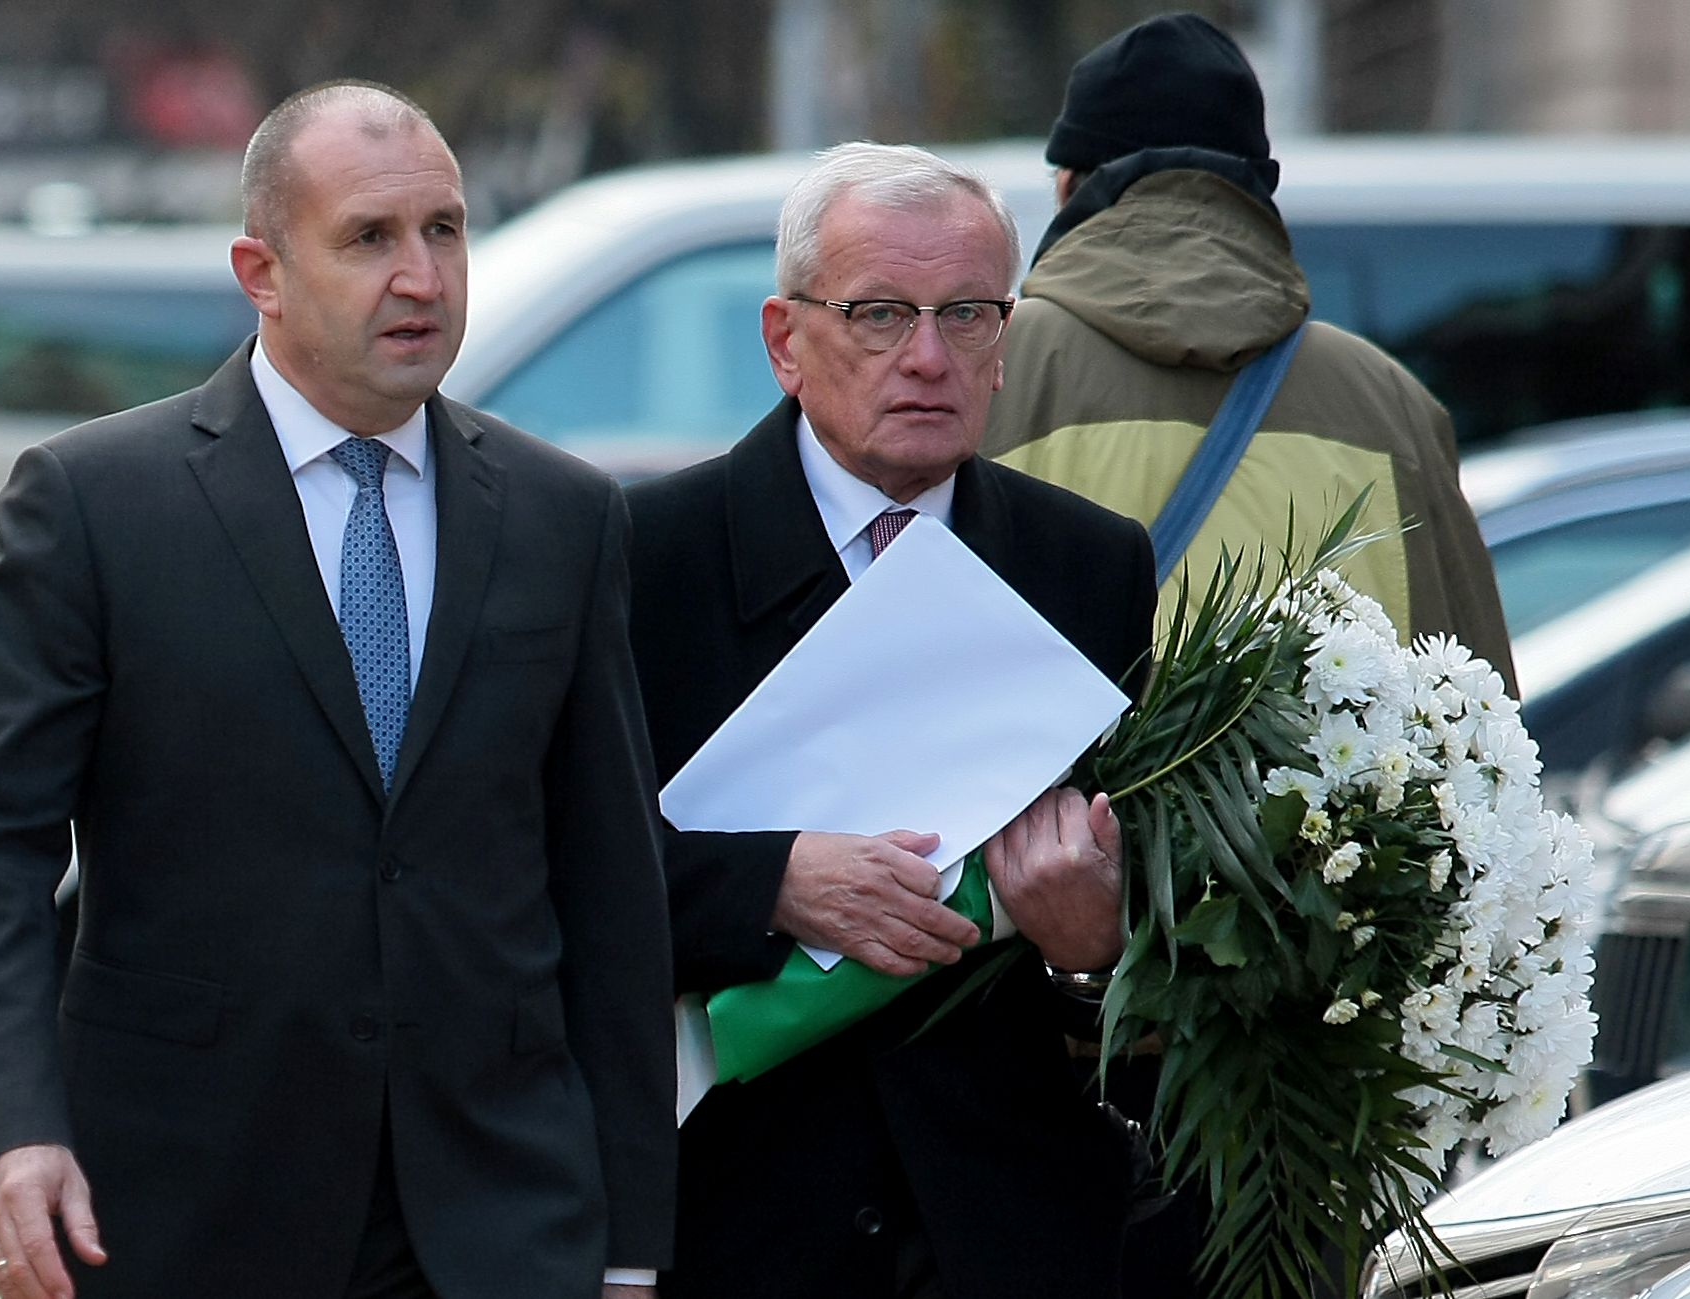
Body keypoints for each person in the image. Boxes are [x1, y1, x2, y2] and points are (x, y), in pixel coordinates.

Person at [0, 80, 674, 1299]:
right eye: (369, 238)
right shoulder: (96, 506)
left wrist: (631, 1246)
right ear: (260, 273)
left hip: (497, 1220)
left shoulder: (561, 516)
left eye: (444, 230)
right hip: (187, 1207)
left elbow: (611, 894)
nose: (421, 277)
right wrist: (12, 1131)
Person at [626, 141, 1158, 1299]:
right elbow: (546, 869)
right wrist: (769, 882)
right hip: (738, 1224)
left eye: (967, 314)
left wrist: (1089, 947)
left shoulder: (1087, 566)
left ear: (1005, 342)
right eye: (878, 314)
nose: (928, 357)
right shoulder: (643, 559)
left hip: (1004, 1233)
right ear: (784, 341)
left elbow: (1159, 923)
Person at [984, 13, 1515, 689]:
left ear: (1067, 186)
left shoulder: (982, 367)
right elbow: (1475, 702)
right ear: (1259, 192)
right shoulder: (1391, 402)